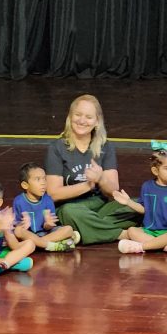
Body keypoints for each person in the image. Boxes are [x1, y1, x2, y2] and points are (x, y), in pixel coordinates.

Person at [45, 94, 141, 244]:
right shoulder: (57, 148)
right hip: (70, 207)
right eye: (78, 115)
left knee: (139, 204)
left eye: (88, 117)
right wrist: (88, 185)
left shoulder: (106, 147)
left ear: (97, 122)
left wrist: (101, 178)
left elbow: (114, 191)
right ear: (70, 117)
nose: (82, 121)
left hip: (99, 207)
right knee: (70, 212)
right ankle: (122, 234)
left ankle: (84, 231)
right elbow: (53, 194)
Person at [113, 143, 167, 254]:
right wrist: (128, 202)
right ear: (155, 171)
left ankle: (142, 247)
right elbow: (144, 209)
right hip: (151, 231)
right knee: (131, 231)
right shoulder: (147, 187)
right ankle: (164, 246)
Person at [12, 162, 77, 252]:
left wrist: (48, 225)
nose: (43, 183)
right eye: (38, 179)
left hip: (45, 234)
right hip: (29, 235)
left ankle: (39, 244)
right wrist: (23, 225)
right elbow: (16, 225)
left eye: (44, 179)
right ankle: (53, 245)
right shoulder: (18, 201)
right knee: (18, 231)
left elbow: (48, 226)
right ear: (25, 185)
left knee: (68, 229)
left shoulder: (47, 199)